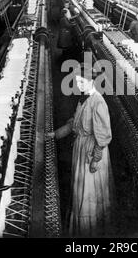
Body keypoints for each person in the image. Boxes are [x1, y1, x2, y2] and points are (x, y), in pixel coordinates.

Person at [48, 63, 113, 237]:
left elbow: (104, 134)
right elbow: (74, 123)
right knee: (80, 191)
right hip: (81, 148)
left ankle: (90, 233)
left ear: (92, 81)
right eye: (77, 81)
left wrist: (95, 159)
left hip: (91, 152)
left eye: (82, 81)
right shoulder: (83, 99)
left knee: (87, 193)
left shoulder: (98, 102)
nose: (79, 85)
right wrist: (55, 134)